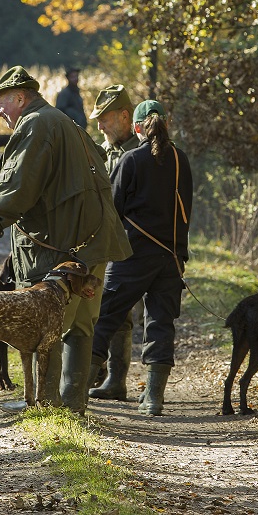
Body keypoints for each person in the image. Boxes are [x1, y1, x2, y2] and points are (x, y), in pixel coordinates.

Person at [0, 66, 132, 414]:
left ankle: (46, 405)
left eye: (1, 103)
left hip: (59, 248)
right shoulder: (63, 121)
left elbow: (19, 184)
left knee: (45, 322)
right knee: (81, 324)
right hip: (92, 244)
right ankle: (72, 405)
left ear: (20, 98)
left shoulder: (34, 124)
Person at [89, 100, 193, 415]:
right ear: (165, 124)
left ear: (137, 128)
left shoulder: (130, 160)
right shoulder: (181, 160)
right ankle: (154, 399)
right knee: (161, 323)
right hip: (170, 257)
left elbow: (111, 212)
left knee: (104, 318)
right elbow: (186, 212)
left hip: (131, 257)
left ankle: (74, 395)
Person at [86, 85, 141, 401]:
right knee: (100, 309)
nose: (100, 126)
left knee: (129, 313)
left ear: (124, 116)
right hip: (102, 243)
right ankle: (105, 376)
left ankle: (120, 380)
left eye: (105, 119)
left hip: (134, 246)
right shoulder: (102, 152)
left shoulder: (144, 151)